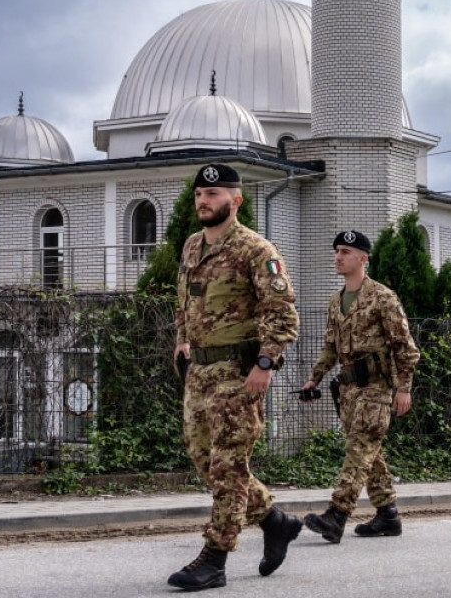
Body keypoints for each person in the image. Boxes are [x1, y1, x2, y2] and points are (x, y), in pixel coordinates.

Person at [168, 163, 302, 591]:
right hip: (200, 370)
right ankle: (275, 521)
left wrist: (265, 364)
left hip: (237, 374)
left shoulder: (256, 250)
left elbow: (282, 314)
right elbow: (184, 301)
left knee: (228, 465)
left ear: (236, 200)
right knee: (205, 459)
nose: (203, 201)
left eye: (213, 194)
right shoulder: (192, 246)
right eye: (199, 195)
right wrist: (181, 340)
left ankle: (214, 559)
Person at [300, 229, 421, 544]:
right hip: (349, 389)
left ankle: (336, 515)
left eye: (345, 252)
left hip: (377, 388)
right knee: (369, 451)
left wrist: (404, 388)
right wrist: (315, 378)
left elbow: (405, 348)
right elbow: (330, 347)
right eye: (337, 251)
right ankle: (388, 515)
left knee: (359, 449)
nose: (338, 257)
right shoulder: (336, 301)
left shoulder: (383, 297)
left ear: (362, 258)